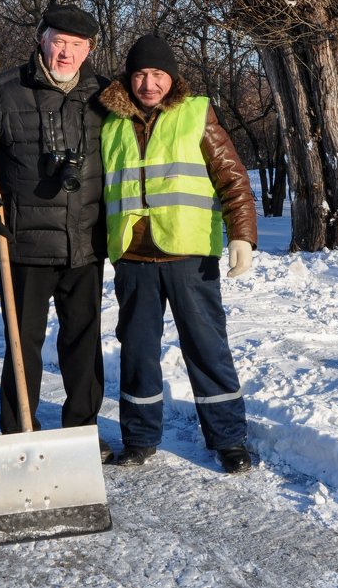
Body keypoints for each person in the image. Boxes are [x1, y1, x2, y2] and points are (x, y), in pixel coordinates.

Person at [0, 3, 113, 463]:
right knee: (25, 344)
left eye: (77, 46)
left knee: (83, 345)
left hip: (85, 244)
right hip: (23, 243)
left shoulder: (103, 95)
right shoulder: (3, 90)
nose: (66, 53)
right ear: (42, 39)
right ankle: (20, 428)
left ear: (89, 50)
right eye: (59, 41)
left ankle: (82, 430)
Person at [99, 34, 258, 474]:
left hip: (189, 258)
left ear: (172, 77)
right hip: (133, 257)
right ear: (128, 79)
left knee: (207, 349)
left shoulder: (195, 114)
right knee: (136, 353)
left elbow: (233, 178)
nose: (149, 84)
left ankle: (229, 440)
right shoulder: (109, 124)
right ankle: (139, 438)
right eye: (140, 75)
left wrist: (241, 235)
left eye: (158, 74)